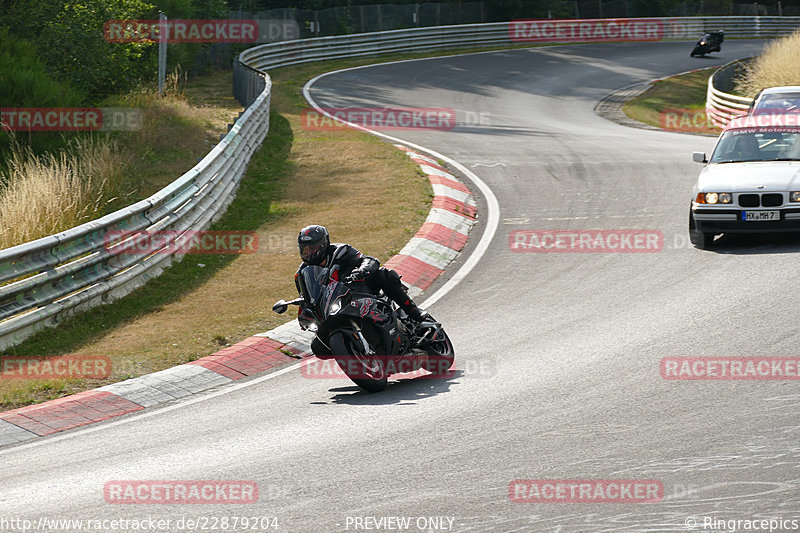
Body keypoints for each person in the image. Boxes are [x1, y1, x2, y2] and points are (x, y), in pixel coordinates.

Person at [296, 224, 433, 324]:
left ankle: (413, 311)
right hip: (335, 307)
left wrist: (362, 270)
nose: (309, 253)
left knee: (385, 275)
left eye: (312, 248)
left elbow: (369, 260)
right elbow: (307, 296)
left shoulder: (340, 251)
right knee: (318, 347)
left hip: (361, 290)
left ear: (323, 244)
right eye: (305, 249)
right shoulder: (302, 273)